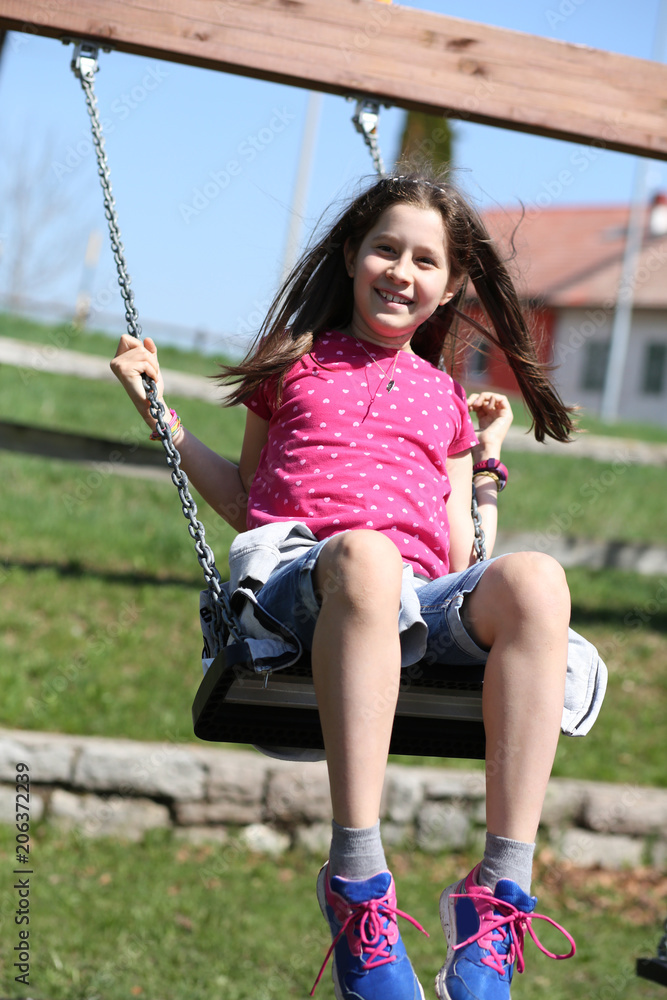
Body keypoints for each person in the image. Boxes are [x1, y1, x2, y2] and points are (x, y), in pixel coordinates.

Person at [111, 172, 604, 1000]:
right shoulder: (293, 366)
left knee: (535, 581)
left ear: (450, 286)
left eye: (424, 260)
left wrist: (485, 462)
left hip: (415, 599)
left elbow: (460, 558)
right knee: (367, 558)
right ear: (350, 255)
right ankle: (357, 883)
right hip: (309, 583)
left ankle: (496, 897)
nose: (400, 271)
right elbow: (243, 497)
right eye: (385, 248)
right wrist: (160, 415)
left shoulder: (446, 398)